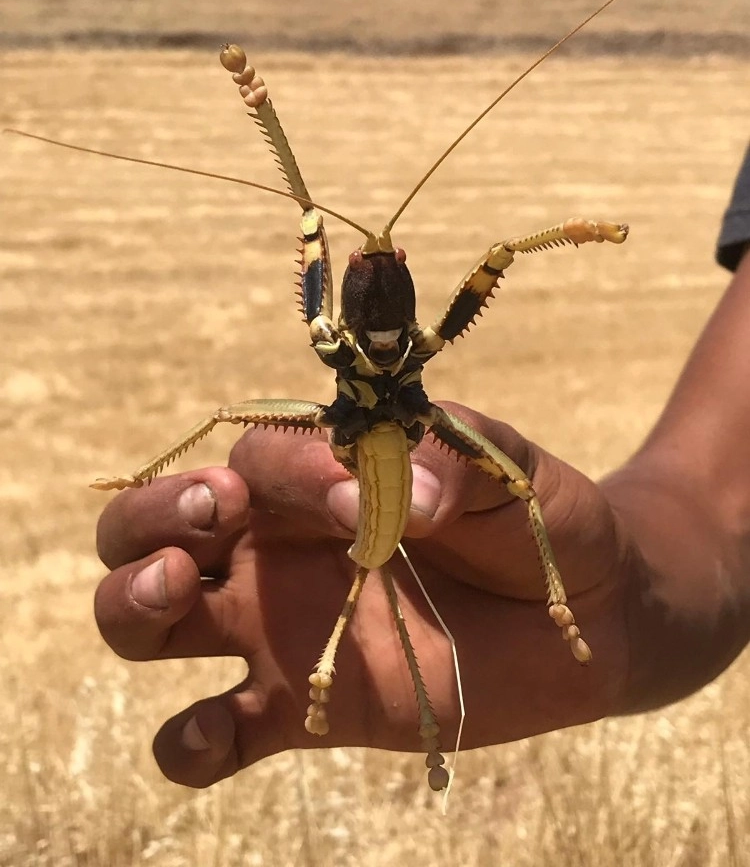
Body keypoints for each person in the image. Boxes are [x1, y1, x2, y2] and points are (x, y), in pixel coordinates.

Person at [94, 144, 750, 789]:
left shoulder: (415, 343)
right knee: (232, 416)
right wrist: (621, 606)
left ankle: (559, 607)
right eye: (371, 265)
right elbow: (716, 498)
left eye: (390, 262)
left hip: (415, 424)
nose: (379, 267)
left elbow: (503, 255)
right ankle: (358, 653)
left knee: (518, 487)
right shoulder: (333, 337)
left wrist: (577, 234)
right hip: (354, 434)